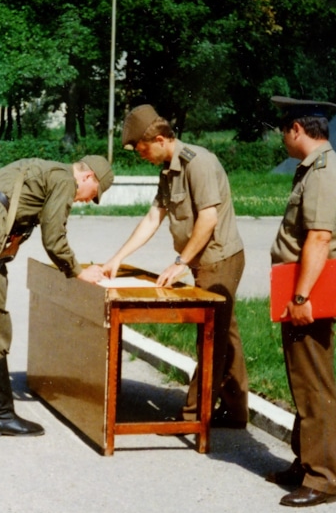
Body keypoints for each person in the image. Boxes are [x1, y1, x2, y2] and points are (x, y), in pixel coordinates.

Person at [0, 155, 114, 436]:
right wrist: (78, 271)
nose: (84, 200)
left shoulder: (41, 167)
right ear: (87, 177)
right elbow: (54, 238)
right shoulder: (64, 179)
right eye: (92, 194)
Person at [102, 104, 249, 429]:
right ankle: (236, 412)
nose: (142, 156)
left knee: (211, 338)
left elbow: (208, 220)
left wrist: (179, 263)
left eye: (143, 150)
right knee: (224, 333)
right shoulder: (168, 171)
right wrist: (117, 258)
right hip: (202, 261)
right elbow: (153, 217)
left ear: (159, 139)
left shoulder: (198, 163)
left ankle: (193, 416)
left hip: (219, 260)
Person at [265, 96, 336, 507]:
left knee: (315, 384)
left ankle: (322, 479)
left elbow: (319, 238)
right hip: (300, 284)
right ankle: (306, 463)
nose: (283, 138)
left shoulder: (322, 173)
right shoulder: (315, 169)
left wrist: (301, 296)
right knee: (303, 380)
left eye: (283, 131)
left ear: (297, 129)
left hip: (310, 289)